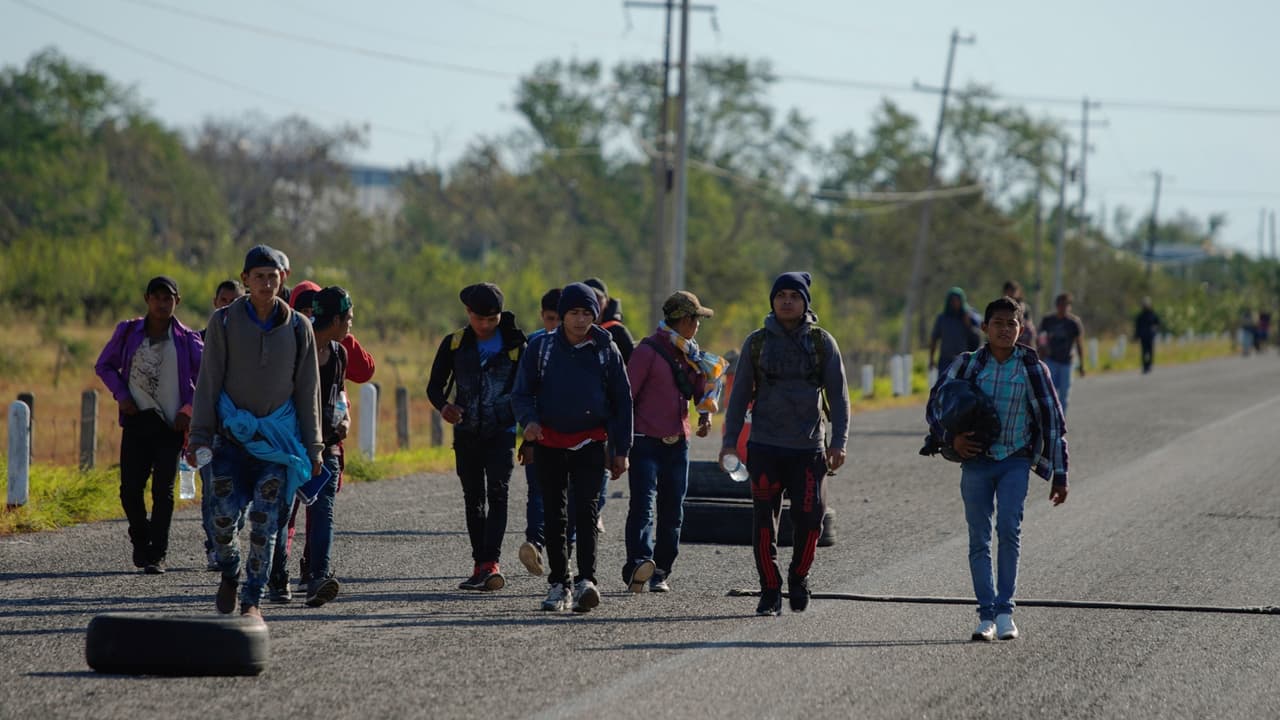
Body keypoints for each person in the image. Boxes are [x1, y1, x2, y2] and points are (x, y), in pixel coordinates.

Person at [187, 245, 323, 621]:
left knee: (266, 523)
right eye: (258, 276)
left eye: (272, 276)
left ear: (283, 279)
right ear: (245, 279)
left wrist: (314, 447)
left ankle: (252, 600)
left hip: (276, 446)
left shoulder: (299, 327)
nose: (266, 283)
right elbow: (208, 382)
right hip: (229, 441)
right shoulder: (223, 322)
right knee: (220, 521)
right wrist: (199, 436)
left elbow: (307, 391)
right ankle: (231, 573)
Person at [926, 296, 1069, 641]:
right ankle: (986, 615)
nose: (1005, 330)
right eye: (998, 324)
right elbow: (935, 405)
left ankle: (1006, 612)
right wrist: (951, 438)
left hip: (1014, 460)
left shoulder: (1032, 368)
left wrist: (1060, 474)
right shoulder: (968, 364)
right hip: (976, 463)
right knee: (979, 538)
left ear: (1021, 329)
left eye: (1011, 324)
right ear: (985, 327)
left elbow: (1052, 422)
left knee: (1008, 529)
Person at [719, 272, 850, 616]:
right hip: (765, 447)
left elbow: (839, 396)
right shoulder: (757, 343)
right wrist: (729, 443)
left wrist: (839, 442)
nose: (787, 301)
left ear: (805, 302)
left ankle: (798, 577)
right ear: (772, 301)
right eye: (781, 296)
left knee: (811, 520)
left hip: (808, 450)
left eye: (794, 296)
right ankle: (770, 590)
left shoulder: (822, 343)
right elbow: (738, 398)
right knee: (764, 524)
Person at [511, 283, 632, 613]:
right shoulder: (541, 348)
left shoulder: (606, 349)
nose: (580, 320)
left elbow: (622, 401)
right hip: (549, 441)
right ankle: (558, 583)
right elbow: (521, 393)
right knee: (555, 513)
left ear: (595, 315)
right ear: (562, 315)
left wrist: (622, 450)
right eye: (573, 313)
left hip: (591, 441)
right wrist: (529, 422)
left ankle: (586, 581)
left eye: (586, 313)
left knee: (587, 511)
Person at [94, 276, 204, 574]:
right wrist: (122, 395)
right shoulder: (128, 332)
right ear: (147, 299)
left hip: (171, 425)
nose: (161, 303)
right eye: (156, 297)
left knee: (163, 492)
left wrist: (188, 409)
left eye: (167, 298)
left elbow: (207, 377)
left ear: (177, 301)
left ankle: (158, 554)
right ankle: (141, 537)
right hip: (137, 420)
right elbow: (104, 365)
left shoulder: (188, 340)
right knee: (130, 489)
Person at [624, 291, 727, 593]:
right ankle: (638, 564)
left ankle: (661, 571)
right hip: (644, 441)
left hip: (677, 443)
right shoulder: (646, 352)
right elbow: (626, 397)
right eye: (696, 320)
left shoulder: (691, 354)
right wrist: (617, 442)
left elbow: (698, 392)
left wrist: (705, 415)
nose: (698, 326)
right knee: (642, 508)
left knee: (672, 511)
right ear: (684, 320)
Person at [428, 282, 527, 591]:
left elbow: (528, 392)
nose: (485, 325)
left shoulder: (516, 345)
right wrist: (444, 407)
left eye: (492, 319)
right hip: (467, 434)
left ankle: (491, 563)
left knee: (498, 493)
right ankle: (479, 564)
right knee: (474, 499)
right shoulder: (455, 344)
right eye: (479, 318)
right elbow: (434, 386)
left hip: (502, 432)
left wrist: (529, 436)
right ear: (468, 312)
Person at [201, 279, 246, 570]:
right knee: (211, 491)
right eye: (224, 300)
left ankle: (230, 537)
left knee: (241, 495)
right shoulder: (199, 341)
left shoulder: (252, 341)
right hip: (210, 429)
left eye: (235, 301)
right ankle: (215, 547)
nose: (228, 306)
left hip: (243, 431)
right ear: (215, 302)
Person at [517, 288, 561, 577]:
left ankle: (564, 549)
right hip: (539, 432)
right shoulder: (532, 345)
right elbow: (523, 393)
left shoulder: (587, 345)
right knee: (537, 491)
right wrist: (527, 436)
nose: (555, 325)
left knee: (569, 496)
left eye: (560, 319)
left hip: (574, 435)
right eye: (550, 318)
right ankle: (534, 544)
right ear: (541, 316)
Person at [1038, 293, 1086, 414]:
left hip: (1066, 363)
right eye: (1061, 304)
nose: (1063, 307)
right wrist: (1041, 356)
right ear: (1056, 305)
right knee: (1049, 393)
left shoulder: (1073, 323)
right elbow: (1041, 338)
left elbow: (1079, 344)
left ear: (1069, 306)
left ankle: (1060, 420)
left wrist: (1082, 365)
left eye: (1066, 305)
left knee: (1064, 395)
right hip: (1050, 361)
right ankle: (1050, 418)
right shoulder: (1048, 320)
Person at [929, 287, 982, 378]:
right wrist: (931, 359)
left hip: (963, 360)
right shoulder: (942, 318)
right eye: (953, 300)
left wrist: (968, 325)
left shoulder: (969, 316)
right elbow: (934, 339)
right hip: (945, 360)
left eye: (958, 300)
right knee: (944, 384)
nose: (955, 303)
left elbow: (977, 338)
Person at [1002, 280, 1036, 347]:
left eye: (1014, 290)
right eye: (1010, 290)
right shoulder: (1001, 305)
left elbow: (1029, 322)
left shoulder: (1023, 306)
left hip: (1021, 333)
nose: (1012, 293)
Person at [1134, 297, 1161, 374]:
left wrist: (1155, 329)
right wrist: (1136, 335)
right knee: (1144, 352)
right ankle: (1145, 366)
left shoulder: (1153, 314)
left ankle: (1149, 365)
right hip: (1143, 336)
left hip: (1150, 336)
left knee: (1150, 351)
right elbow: (1137, 326)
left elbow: (1158, 323)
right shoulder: (1140, 316)